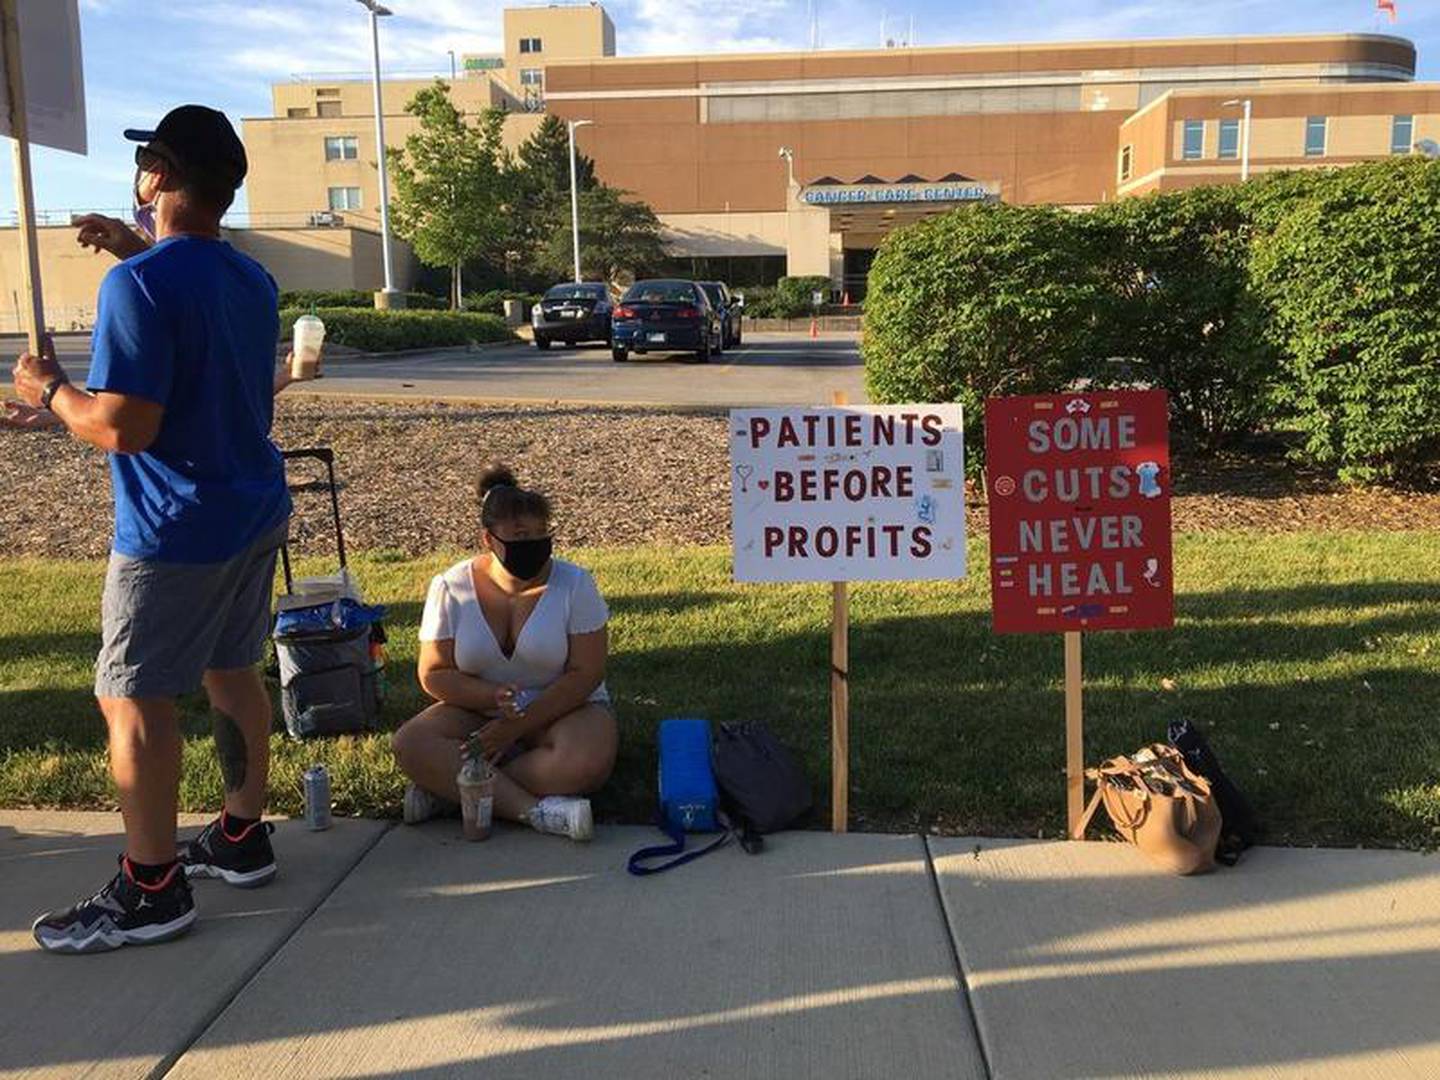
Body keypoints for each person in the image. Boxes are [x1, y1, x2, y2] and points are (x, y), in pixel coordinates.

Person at [14, 106, 303, 954]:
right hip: (253, 510)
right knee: (231, 671)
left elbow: (126, 427)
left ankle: (151, 887)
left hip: (174, 526)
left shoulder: (135, 288)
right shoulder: (249, 280)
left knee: (131, 694)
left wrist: (50, 394)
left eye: (146, 165)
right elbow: (194, 312)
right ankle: (242, 837)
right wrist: (135, 250)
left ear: (161, 176)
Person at [391, 464, 616, 840]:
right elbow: (433, 673)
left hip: (564, 708)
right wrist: (488, 696)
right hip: (476, 710)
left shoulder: (576, 584)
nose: (535, 545)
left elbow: (586, 673)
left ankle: (451, 790)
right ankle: (535, 811)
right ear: (488, 539)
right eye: (521, 535)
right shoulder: (450, 587)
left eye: (543, 535)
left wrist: (514, 727)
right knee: (410, 744)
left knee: (586, 764)